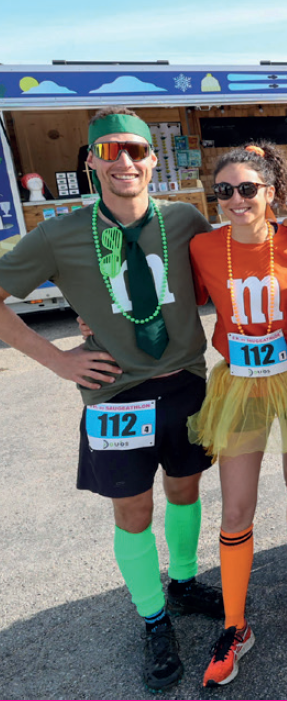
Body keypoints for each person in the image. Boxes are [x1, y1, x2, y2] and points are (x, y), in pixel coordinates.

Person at [0, 106, 225, 691]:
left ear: (152, 160)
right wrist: (59, 359)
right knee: (133, 509)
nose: (123, 161)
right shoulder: (58, 233)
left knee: (185, 488)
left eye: (134, 150)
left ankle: (180, 582)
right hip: (114, 396)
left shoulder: (184, 220)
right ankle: (153, 619)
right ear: (92, 161)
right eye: (109, 151)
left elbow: (236, 255)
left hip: (184, 383)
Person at [187, 143, 287, 688]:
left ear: (271, 192)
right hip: (239, 383)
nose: (236, 200)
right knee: (237, 505)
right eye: (225, 191)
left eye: (248, 189)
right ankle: (235, 625)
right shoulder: (201, 246)